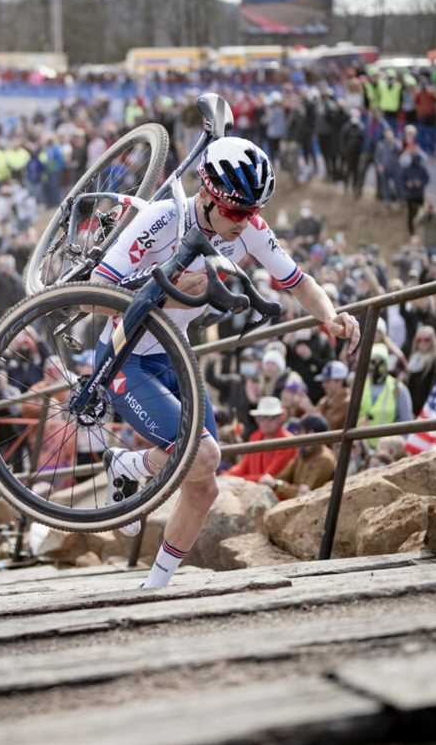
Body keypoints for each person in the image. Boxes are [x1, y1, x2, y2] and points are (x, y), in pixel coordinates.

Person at [92, 136, 359, 589]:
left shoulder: (248, 225)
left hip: (174, 356)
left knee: (205, 483)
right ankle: (132, 468)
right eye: (236, 211)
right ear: (207, 195)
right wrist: (175, 281)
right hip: (127, 354)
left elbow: (296, 279)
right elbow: (96, 296)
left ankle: (154, 585)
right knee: (205, 452)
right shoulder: (162, 220)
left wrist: (332, 316)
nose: (245, 222)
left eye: (253, 211)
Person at [262, 413, 335, 500]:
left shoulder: (324, 459)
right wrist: (276, 483)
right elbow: (282, 476)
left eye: (300, 431)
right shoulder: (302, 453)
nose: (298, 435)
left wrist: (277, 485)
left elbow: (306, 494)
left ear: (311, 433)